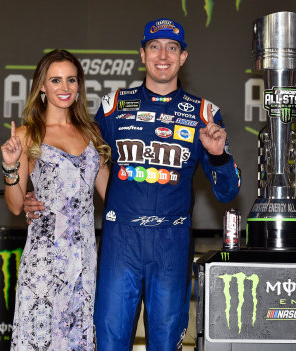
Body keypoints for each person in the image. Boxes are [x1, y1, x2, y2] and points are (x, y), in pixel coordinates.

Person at [26, 18, 241, 350]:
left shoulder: (205, 114)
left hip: (172, 243)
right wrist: (36, 194)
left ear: (183, 57)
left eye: (172, 48)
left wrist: (217, 157)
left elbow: (228, 192)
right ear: (142, 54)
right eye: (154, 47)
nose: (163, 55)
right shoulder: (113, 107)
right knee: (110, 344)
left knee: (166, 345)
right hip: (119, 243)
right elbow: (78, 161)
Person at [1, 49, 110, 350]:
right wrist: (11, 167)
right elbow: (14, 203)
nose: (64, 87)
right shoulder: (27, 135)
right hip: (44, 264)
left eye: (71, 80)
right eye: (56, 80)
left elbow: (111, 195)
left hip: (84, 262)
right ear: (43, 88)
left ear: (79, 86)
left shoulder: (92, 134)